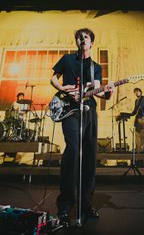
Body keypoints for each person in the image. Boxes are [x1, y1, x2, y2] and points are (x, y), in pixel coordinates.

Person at [50, 28, 114, 227]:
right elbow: (53, 78)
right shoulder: (68, 60)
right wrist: (62, 89)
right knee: (73, 150)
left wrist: (109, 92)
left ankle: (86, 204)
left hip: (89, 111)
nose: (82, 39)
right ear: (76, 41)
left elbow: (97, 91)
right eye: (79, 37)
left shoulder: (96, 67)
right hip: (70, 111)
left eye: (86, 37)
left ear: (91, 43)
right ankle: (64, 205)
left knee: (88, 156)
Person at [130, 87, 144, 153]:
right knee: (137, 134)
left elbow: (139, 107)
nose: (137, 93)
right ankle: (138, 149)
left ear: (140, 92)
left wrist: (134, 114)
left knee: (143, 134)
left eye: (138, 91)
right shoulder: (136, 100)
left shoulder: (143, 98)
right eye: (135, 92)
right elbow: (135, 110)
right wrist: (130, 114)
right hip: (138, 118)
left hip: (142, 117)